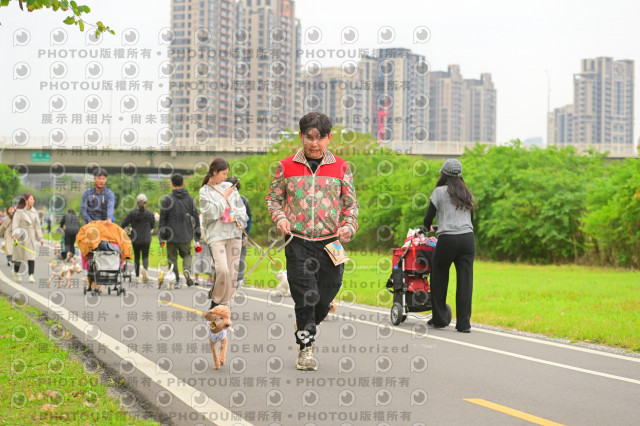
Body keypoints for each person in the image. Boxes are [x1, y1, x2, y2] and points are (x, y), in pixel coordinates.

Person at [266, 112, 359, 371]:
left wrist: (348, 226)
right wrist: (280, 219)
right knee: (306, 296)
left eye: (320, 138)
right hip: (298, 241)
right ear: (301, 136)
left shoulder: (341, 167)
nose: (314, 144)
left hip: (331, 243)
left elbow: (351, 205)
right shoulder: (286, 166)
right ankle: (306, 347)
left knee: (327, 294)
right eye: (309, 137)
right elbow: (273, 199)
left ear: (329, 138)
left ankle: (306, 324)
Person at [422, 158, 475, 333]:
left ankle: (439, 319)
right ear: (460, 175)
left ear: (443, 174)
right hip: (467, 239)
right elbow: (469, 220)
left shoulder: (439, 192)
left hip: (447, 241)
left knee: (439, 277)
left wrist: (428, 228)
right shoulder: (467, 193)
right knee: (465, 282)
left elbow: (427, 219)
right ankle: (464, 324)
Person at [199, 159, 248, 309]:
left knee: (232, 274)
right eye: (224, 173)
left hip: (234, 234)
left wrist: (240, 220)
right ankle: (216, 300)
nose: (226, 177)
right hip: (216, 236)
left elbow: (242, 209)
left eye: (227, 174)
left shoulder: (229, 187)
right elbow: (210, 214)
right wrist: (224, 197)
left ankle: (224, 307)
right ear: (215, 172)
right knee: (222, 270)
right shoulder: (204, 192)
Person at [159, 173, 201, 288]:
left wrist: (161, 237)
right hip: (186, 234)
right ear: (183, 183)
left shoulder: (167, 199)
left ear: (171, 184)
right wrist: (197, 234)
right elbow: (196, 218)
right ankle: (187, 270)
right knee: (187, 255)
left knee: (172, 258)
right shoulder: (190, 199)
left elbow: (162, 220)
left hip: (171, 235)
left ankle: (176, 280)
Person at [121, 194, 155, 284]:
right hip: (146, 238)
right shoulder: (150, 213)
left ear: (137, 203)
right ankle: (145, 270)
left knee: (137, 257)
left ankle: (137, 277)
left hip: (135, 238)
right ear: (146, 203)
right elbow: (152, 226)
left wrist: (123, 230)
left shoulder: (132, 213)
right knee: (145, 256)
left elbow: (123, 223)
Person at [11, 193, 44, 282]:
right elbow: (15, 223)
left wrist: (40, 238)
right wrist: (15, 235)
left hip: (31, 235)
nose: (33, 201)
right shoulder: (19, 211)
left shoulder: (34, 211)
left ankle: (31, 275)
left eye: (33, 199)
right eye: (31, 199)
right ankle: (16, 272)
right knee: (19, 256)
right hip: (20, 235)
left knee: (31, 255)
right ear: (26, 200)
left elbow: (37, 226)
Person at [226, 176, 252, 285]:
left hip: (239, 233)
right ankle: (230, 278)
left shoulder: (243, 200)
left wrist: (246, 235)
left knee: (240, 256)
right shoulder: (223, 200)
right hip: (227, 234)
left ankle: (239, 278)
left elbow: (249, 218)